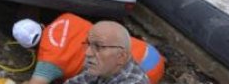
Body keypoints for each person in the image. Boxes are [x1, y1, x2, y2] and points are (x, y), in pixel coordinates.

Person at [13, 13, 163, 84]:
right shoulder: (66, 18)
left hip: (146, 69)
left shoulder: (48, 61)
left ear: (30, 48)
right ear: (41, 25)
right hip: (151, 53)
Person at [65, 21, 149, 84]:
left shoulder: (134, 82)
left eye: (98, 47)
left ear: (121, 57)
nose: (88, 53)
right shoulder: (103, 68)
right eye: (88, 44)